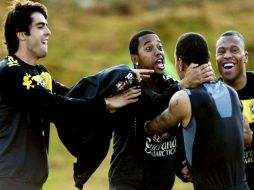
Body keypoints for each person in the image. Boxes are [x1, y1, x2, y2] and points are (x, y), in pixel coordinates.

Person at [0, 1, 147, 189]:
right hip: (8, 180)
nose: (48, 32)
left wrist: (119, 81)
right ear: (21, 34)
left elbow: (76, 97)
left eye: (46, 25)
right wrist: (106, 103)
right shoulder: (9, 73)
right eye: (40, 26)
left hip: (30, 182)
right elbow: (57, 107)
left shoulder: (40, 74)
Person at [108, 30, 215, 190]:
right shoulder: (128, 89)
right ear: (135, 59)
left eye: (160, 47)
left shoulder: (170, 86)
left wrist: (183, 166)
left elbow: (175, 131)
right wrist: (182, 85)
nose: (158, 52)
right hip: (129, 184)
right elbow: (151, 105)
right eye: (149, 48)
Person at [145, 32, 248, 190]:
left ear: (179, 64)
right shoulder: (231, 92)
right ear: (208, 57)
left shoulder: (183, 99)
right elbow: (238, 135)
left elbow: (153, 126)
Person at [216, 30, 254, 190]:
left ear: (245, 56)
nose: (227, 56)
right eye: (221, 52)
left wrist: (251, 139)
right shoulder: (210, 94)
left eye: (234, 50)